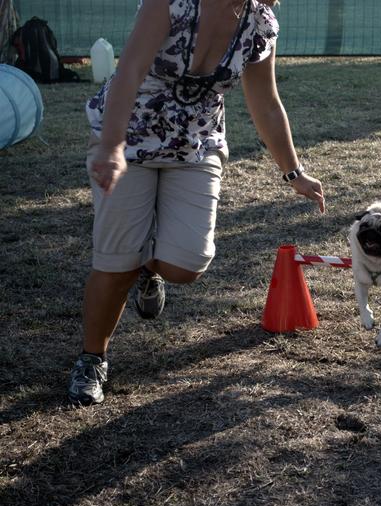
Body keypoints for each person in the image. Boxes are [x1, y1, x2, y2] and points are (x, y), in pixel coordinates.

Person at [68, 0, 325, 405]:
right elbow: (129, 70)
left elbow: (266, 101)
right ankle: (92, 359)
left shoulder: (260, 24)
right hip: (129, 137)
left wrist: (294, 172)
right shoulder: (172, 4)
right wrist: (112, 145)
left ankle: (149, 267)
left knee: (187, 264)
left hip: (197, 145)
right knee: (117, 264)